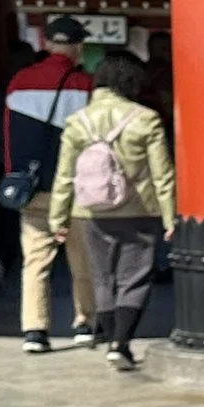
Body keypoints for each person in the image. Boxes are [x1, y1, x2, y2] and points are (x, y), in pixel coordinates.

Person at [45, 47, 177, 372]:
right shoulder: (146, 119)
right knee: (134, 277)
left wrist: (57, 218)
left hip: (90, 212)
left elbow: (64, 175)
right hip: (139, 211)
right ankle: (121, 343)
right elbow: (163, 173)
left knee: (103, 277)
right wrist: (170, 216)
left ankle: (107, 338)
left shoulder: (77, 122)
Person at [4, 13, 101, 355]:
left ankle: (35, 330)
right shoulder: (85, 85)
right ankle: (85, 324)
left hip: (32, 185)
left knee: (35, 260)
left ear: (45, 43)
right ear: (77, 47)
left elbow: (9, 135)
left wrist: (13, 174)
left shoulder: (20, 81)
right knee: (82, 260)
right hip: (75, 187)